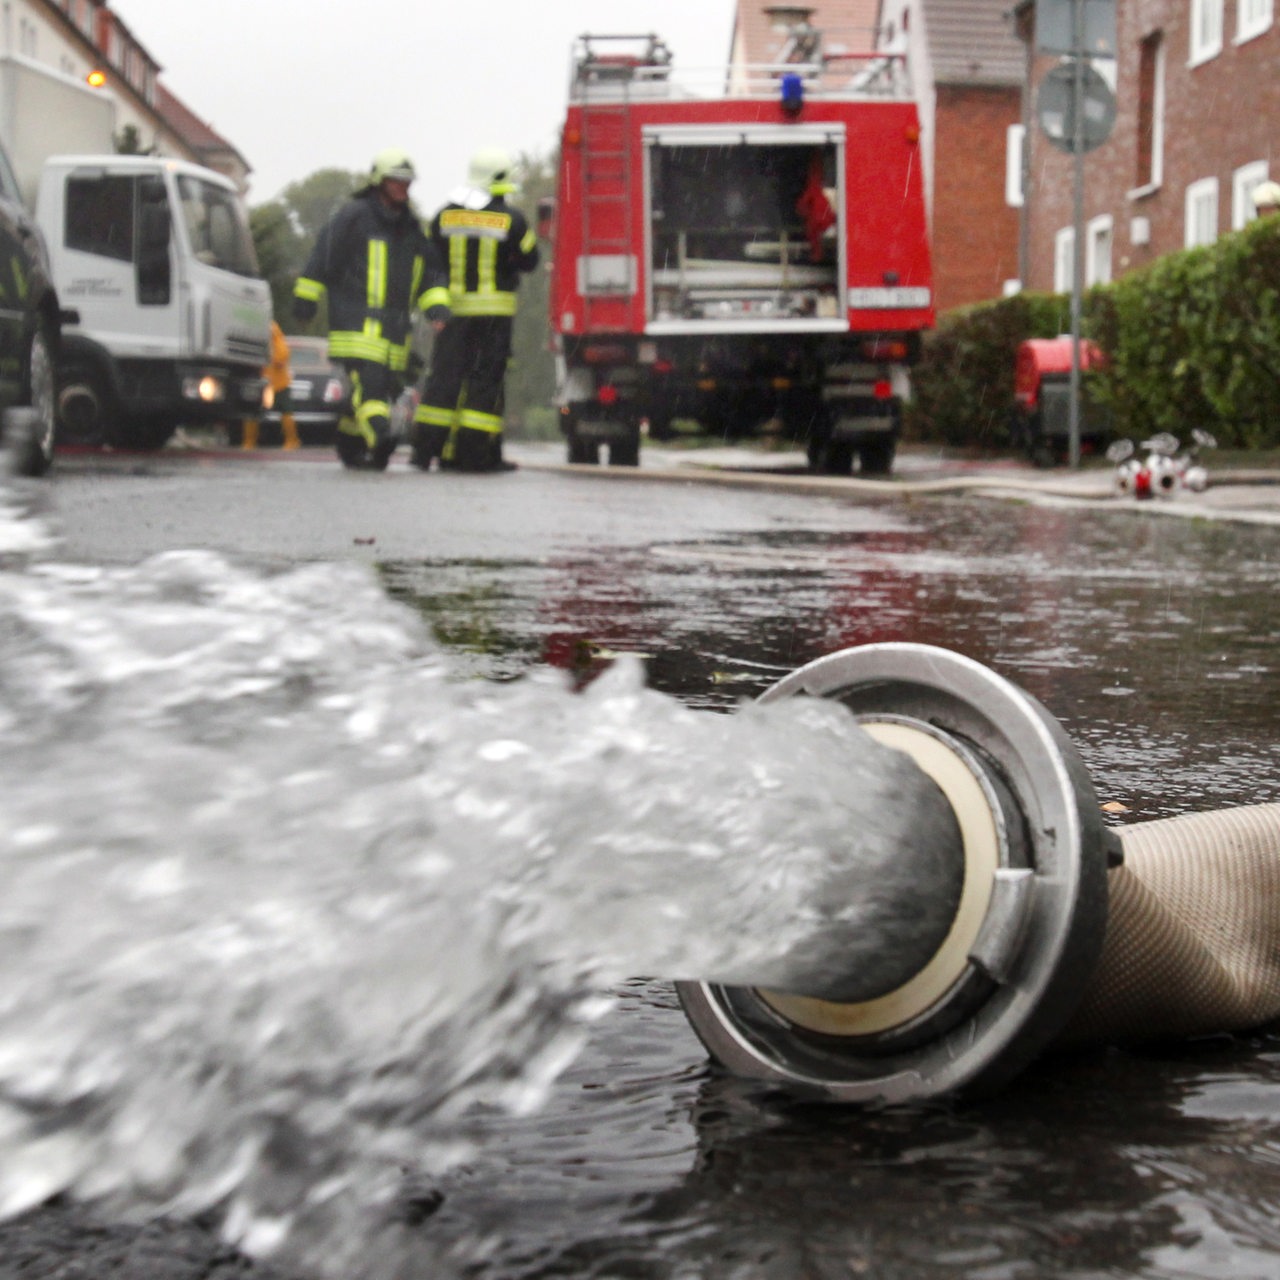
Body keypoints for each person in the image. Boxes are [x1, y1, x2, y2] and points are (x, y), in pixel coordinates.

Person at [292, 149, 449, 470]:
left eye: (407, 182)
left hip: (394, 332)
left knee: (370, 394)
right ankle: (381, 439)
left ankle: (351, 446)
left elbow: (431, 274)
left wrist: (438, 311)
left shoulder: (410, 230)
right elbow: (323, 255)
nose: (403, 187)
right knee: (372, 390)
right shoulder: (354, 217)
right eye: (396, 181)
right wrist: (305, 299)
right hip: (356, 327)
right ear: (379, 181)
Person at [411, 146, 539, 472]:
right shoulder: (512, 220)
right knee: (484, 384)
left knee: (444, 381)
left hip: (452, 316)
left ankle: (425, 452)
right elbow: (530, 260)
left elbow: (428, 264)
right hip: (493, 317)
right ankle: (474, 455)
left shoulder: (442, 216)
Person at [242, 321, 300, 450]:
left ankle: (292, 440)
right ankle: (249, 442)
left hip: (279, 385)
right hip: (263, 384)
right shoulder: (267, 343)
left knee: (286, 412)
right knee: (253, 412)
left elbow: (280, 360)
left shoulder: (278, 343)